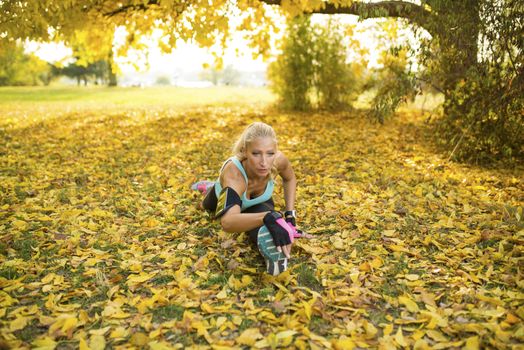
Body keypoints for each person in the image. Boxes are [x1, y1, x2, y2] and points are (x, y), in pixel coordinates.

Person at [192, 122, 310, 275]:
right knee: (204, 206)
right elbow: (227, 223)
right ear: (245, 151)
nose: (264, 162)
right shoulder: (234, 173)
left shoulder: (279, 160)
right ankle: (208, 187)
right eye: (256, 153)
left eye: (270, 153)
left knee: (264, 228)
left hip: (258, 202)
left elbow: (290, 178)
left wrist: (289, 216)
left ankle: (273, 255)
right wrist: (269, 216)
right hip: (223, 193)